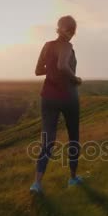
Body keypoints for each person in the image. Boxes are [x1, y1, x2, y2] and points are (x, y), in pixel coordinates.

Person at [30, 15, 83, 193]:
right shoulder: (67, 46)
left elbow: (38, 71)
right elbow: (62, 65)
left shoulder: (47, 45)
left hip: (48, 97)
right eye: (72, 30)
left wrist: (50, 69)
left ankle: (37, 183)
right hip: (68, 97)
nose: (72, 34)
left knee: (48, 139)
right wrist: (75, 78)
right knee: (73, 137)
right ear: (70, 30)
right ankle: (73, 178)